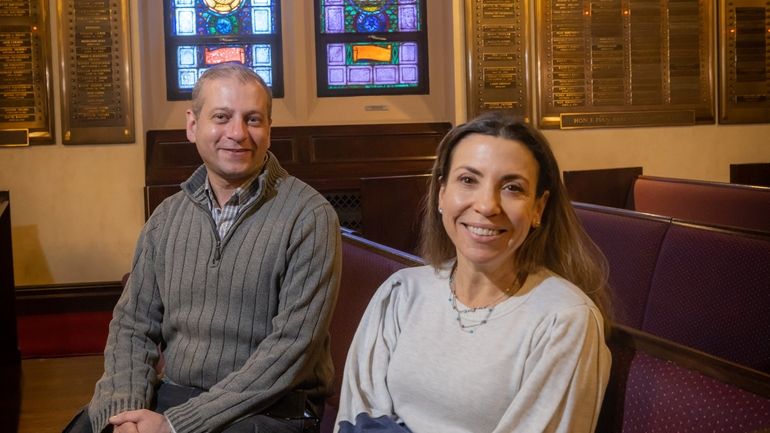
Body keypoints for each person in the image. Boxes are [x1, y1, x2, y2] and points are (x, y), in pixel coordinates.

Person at [64, 62, 341, 433]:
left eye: (253, 119)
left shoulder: (309, 217)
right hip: (176, 395)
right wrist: (126, 411)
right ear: (193, 126)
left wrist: (175, 426)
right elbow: (133, 326)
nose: (238, 133)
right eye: (222, 117)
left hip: (272, 409)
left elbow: (291, 351)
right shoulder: (166, 218)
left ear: (270, 131)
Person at [334, 112, 611, 433]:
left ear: (538, 207)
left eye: (512, 187)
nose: (487, 205)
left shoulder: (564, 319)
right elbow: (357, 418)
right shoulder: (401, 292)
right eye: (468, 180)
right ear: (441, 193)